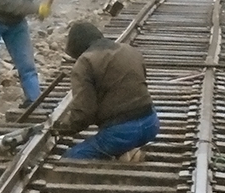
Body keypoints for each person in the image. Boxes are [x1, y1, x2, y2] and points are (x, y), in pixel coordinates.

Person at [53, 21, 160, 161]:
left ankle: (123, 152)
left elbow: (84, 112)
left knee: (71, 158)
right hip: (151, 123)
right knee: (117, 139)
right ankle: (129, 153)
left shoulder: (85, 62)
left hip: (122, 133)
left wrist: (63, 127)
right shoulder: (129, 50)